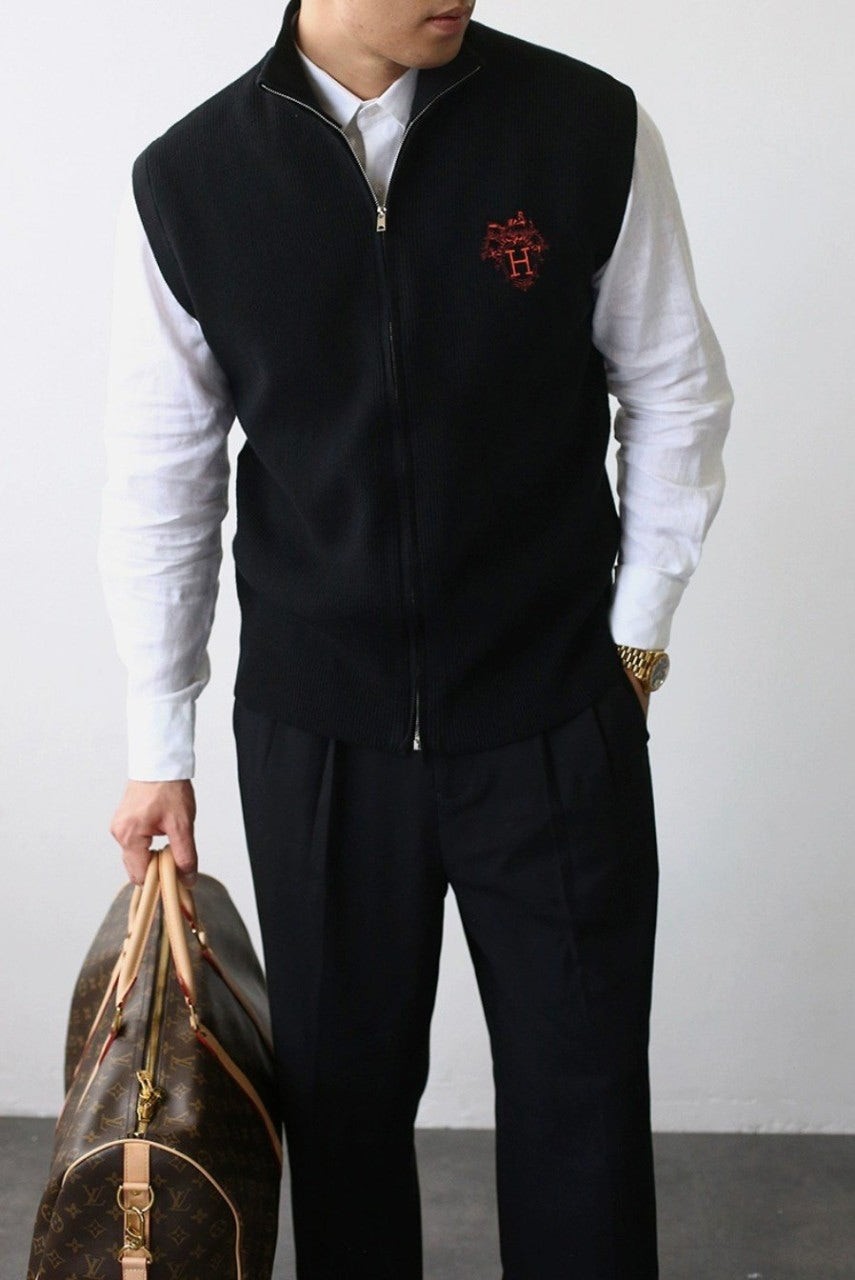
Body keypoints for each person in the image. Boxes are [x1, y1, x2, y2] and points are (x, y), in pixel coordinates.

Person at [98, 1, 734, 1276]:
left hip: (555, 712)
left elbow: (676, 388)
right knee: (340, 1114)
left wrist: (635, 647)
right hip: (319, 733)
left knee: (583, 1102)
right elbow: (164, 475)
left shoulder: (585, 128)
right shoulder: (193, 180)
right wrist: (159, 740)